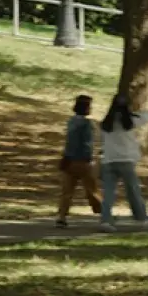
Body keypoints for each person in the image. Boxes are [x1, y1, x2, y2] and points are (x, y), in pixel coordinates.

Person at [98, 93, 148, 232]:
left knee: (108, 192)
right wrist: (137, 108)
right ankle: (141, 218)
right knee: (133, 190)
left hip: (109, 160)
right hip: (126, 160)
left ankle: (105, 220)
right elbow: (146, 116)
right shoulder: (130, 121)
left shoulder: (106, 123)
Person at [55, 94, 101, 228]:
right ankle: (104, 214)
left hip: (68, 160)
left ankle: (61, 216)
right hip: (83, 161)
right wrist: (90, 158)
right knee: (92, 190)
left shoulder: (71, 122)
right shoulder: (87, 124)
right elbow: (87, 143)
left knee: (67, 191)